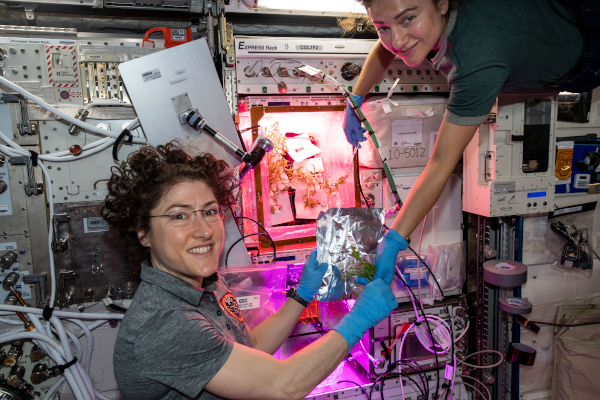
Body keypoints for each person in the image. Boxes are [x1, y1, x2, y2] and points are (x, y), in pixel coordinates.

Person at [102, 141, 399, 400]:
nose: (204, 230)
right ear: (143, 232)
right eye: (179, 216)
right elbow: (285, 385)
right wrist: (357, 320)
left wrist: (302, 295)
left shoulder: (206, 283)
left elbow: (251, 345)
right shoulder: (166, 324)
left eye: (209, 211)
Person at [344, 0, 600, 267]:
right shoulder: (433, 16)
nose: (396, 40)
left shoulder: (475, 62)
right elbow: (392, 41)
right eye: (382, 27)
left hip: (588, 50)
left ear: (442, 4)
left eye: (408, 19)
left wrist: (395, 240)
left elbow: (441, 163)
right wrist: (356, 97)